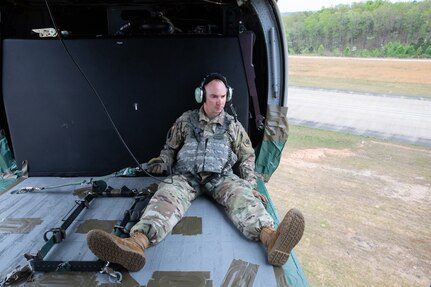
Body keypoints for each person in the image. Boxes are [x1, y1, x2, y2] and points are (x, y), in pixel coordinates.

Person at [86, 73, 305, 271]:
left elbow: (246, 157)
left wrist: (249, 183)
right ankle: (136, 244)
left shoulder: (233, 126)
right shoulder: (185, 121)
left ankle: (271, 239)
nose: (219, 102)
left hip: (221, 178)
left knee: (243, 198)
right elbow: (169, 149)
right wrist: (161, 162)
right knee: (166, 197)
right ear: (202, 96)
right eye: (213, 97)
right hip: (186, 177)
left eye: (222, 96)